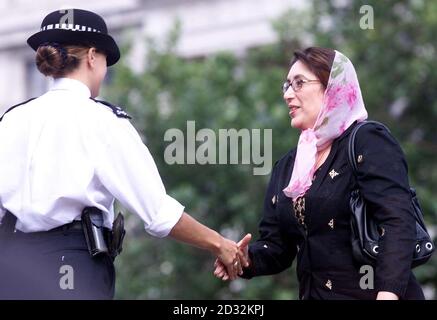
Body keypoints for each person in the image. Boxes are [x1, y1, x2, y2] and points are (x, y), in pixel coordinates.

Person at [0, 8, 246, 300]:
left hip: (12, 268)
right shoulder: (103, 120)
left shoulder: (11, 119)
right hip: (71, 267)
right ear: (92, 56)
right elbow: (157, 212)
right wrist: (219, 244)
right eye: (105, 59)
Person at [213, 47, 425, 300]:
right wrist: (244, 258)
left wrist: (388, 295)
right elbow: (278, 247)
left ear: (332, 86)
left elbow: (397, 222)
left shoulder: (367, 141)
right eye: (287, 86)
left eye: (299, 83)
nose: (288, 94)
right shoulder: (288, 166)